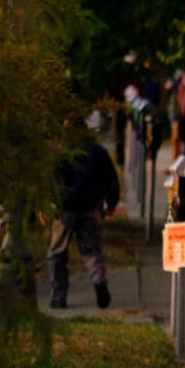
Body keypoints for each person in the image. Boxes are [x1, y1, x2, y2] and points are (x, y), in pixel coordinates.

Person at [48, 122, 120, 309]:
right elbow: (111, 180)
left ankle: (58, 295)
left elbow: (50, 180)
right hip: (91, 207)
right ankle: (98, 279)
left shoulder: (61, 154)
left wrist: (48, 202)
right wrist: (111, 203)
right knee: (91, 250)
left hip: (64, 209)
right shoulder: (98, 152)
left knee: (57, 253)